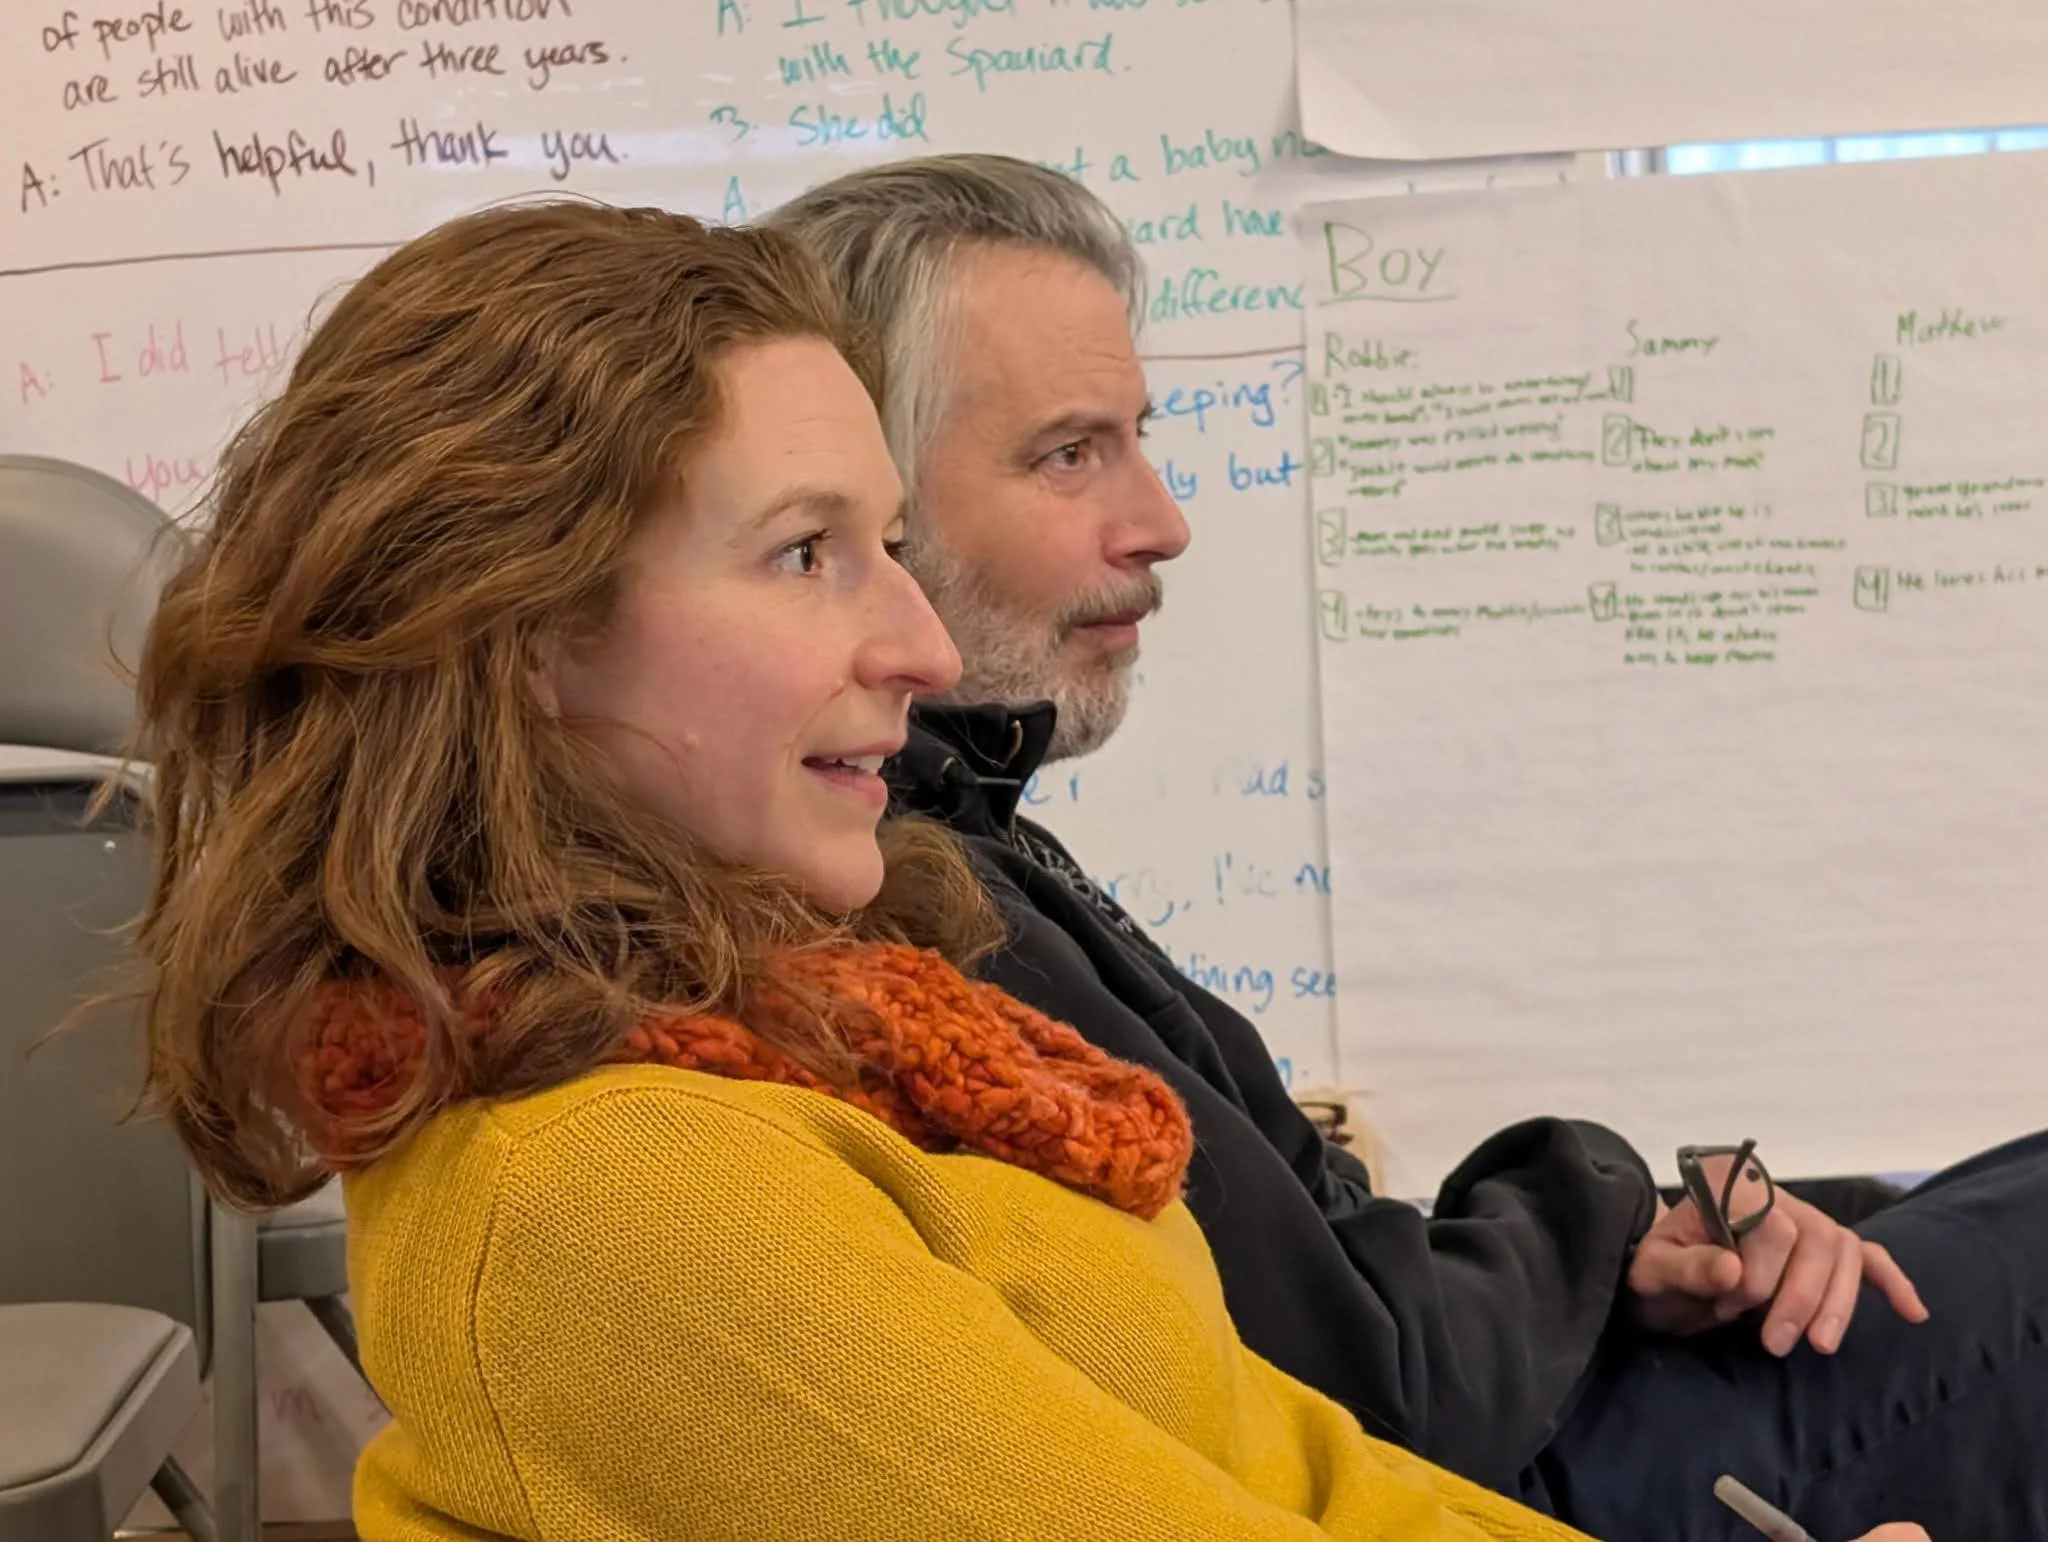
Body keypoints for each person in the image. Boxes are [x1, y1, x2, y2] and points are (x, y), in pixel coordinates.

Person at [108, 197, 1749, 1542]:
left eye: (889, 544)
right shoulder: (615, 1194)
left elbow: (1297, 1459)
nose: (919, 642)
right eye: (805, 551)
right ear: (522, 631)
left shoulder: (806, 1022)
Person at [767, 153, 2048, 1540]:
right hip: (1511, 1487)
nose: (1163, 524)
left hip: (1519, 1418)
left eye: (1138, 437)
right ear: (863, 510)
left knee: (1922, 1199)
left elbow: (1326, 1276)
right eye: (1070, 454)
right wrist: (1601, 1200)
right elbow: (1388, 1381)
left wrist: (1620, 1246)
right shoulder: (920, 902)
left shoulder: (957, 839)